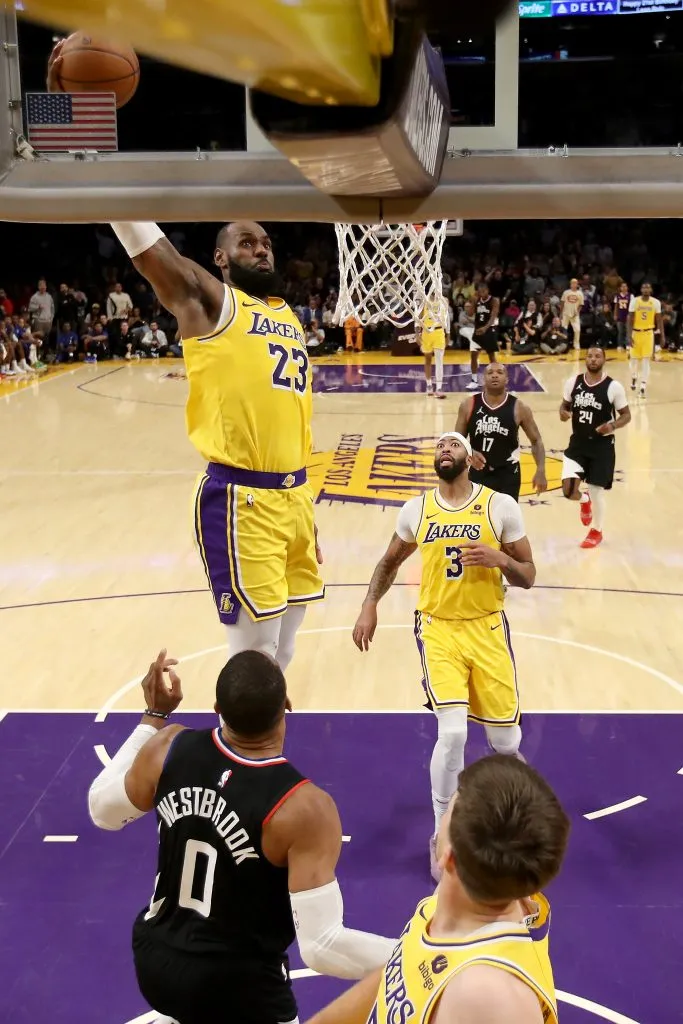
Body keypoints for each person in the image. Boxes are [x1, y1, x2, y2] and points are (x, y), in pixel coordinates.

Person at [45, 44, 325, 671]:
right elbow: (148, 245)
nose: (261, 247)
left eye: (267, 241)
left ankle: (263, 754)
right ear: (220, 258)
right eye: (245, 241)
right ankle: (239, 757)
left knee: (284, 651)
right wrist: (72, 122)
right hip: (245, 499)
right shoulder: (210, 301)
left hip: (296, 498)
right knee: (251, 659)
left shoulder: (284, 315)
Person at [88, 650, 396, 1024]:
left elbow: (102, 810)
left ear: (217, 707)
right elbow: (321, 946)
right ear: (286, 705)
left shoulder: (168, 747)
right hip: (240, 991)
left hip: (156, 961)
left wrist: (152, 719)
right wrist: (413, 953)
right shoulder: (302, 807)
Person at [352, 433, 536, 881]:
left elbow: (529, 574)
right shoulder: (417, 510)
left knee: (506, 744)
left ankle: (520, 813)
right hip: (438, 629)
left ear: (470, 458)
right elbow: (389, 562)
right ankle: (442, 833)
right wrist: (369, 603)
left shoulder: (500, 507)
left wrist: (499, 559)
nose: (443, 451)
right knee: (452, 734)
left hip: (488, 628)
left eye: (452, 445)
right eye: (438, 448)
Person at [305, 756, 570, 1024]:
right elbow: (397, 975)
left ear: (449, 858)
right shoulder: (454, 900)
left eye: (448, 812)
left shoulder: (488, 996)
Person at [560, 346, 631, 549]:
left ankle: (596, 530)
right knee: (568, 491)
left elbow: (626, 415)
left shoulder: (613, 386)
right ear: (585, 359)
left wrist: (612, 426)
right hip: (578, 444)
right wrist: (563, 413)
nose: (593, 359)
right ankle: (584, 501)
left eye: (597, 356)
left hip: (602, 446)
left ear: (604, 360)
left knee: (597, 490)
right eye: (590, 356)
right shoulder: (573, 382)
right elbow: (564, 406)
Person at [455, 362, 547, 501]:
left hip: (508, 474)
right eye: (490, 373)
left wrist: (540, 469)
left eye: (499, 372)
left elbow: (536, 441)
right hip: (478, 473)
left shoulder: (519, 408)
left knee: (507, 521)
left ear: (507, 379)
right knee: (478, 521)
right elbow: (457, 441)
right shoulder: (468, 405)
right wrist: (470, 452)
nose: (495, 376)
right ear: (483, 378)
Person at [627, 281, 662, 399]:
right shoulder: (635, 301)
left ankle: (642, 386)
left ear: (651, 290)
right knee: (633, 360)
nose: (646, 289)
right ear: (641, 290)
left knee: (646, 360)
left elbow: (659, 320)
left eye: (648, 287)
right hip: (635, 333)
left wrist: (662, 335)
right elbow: (630, 319)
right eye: (644, 287)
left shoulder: (656, 302)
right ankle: (634, 376)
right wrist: (628, 335)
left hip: (648, 333)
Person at [466, 282, 499, 390]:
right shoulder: (477, 300)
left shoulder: (494, 300)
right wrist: (472, 301)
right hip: (477, 330)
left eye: (483, 291)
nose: (481, 293)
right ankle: (474, 380)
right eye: (480, 292)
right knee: (473, 355)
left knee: (491, 357)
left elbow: (493, 317)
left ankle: (496, 379)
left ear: (487, 290)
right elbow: (470, 314)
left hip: (488, 330)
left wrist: (485, 328)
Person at [416, 302, 447, 398]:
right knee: (428, 360)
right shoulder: (424, 301)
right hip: (426, 332)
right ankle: (429, 385)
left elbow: (447, 318)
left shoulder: (443, 300)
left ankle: (439, 388)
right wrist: (417, 333)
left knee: (439, 361)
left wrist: (448, 333)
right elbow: (418, 318)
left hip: (439, 331)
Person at [560, 277, 584, 350]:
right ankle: (563, 343)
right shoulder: (566, 292)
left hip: (575, 315)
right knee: (563, 329)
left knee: (577, 330)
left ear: (577, 284)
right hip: (565, 313)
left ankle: (576, 344)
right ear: (570, 284)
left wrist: (577, 312)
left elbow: (581, 304)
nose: (574, 284)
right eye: (572, 283)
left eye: (575, 283)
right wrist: (561, 313)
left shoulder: (580, 293)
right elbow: (562, 302)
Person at [613, 281, 631, 351]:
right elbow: (616, 306)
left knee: (628, 331)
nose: (624, 288)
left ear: (627, 288)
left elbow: (632, 307)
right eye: (622, 286)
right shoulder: (617, 296)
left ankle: (628, 344)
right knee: (620, 331)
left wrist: (631, 316)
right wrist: (615, 314)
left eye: (625, 286)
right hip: (620, 316)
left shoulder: (630, 296)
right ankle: (620, 345)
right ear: (620, 288)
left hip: (628, 316)